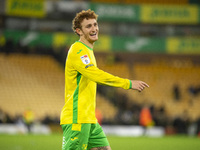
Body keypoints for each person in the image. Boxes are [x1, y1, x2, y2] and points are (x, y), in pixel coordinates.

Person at [60, 9, 149, 150]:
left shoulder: (88, 51)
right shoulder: (77, 49)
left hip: (89, 118)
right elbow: (96, 74)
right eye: (88, 26)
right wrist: (128, 83)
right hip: (77, 118)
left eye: (95, 24)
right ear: (79, 31)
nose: (94, 28)